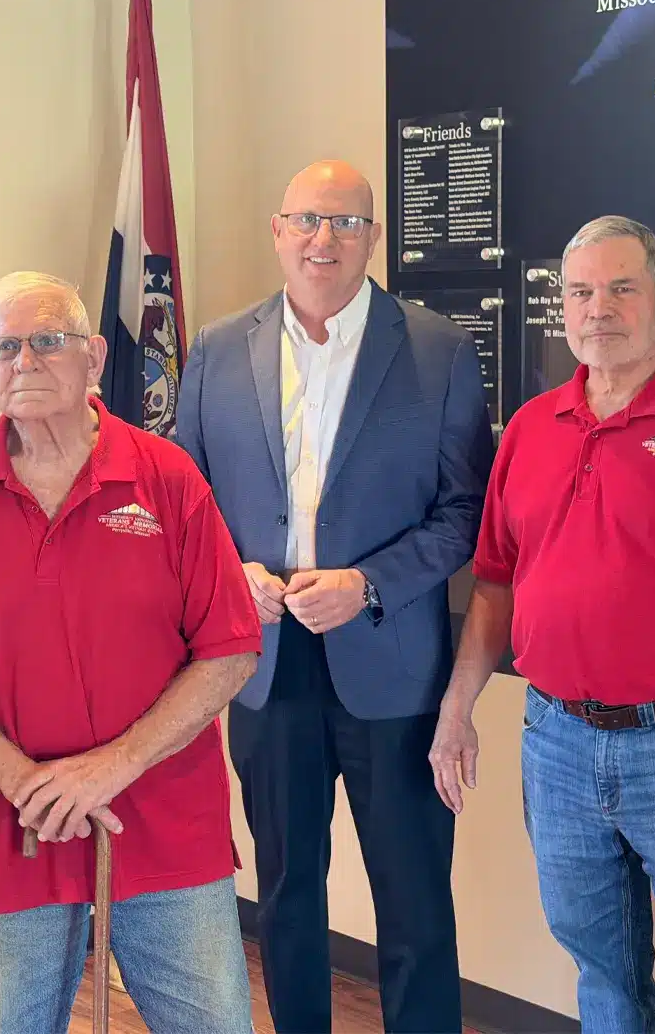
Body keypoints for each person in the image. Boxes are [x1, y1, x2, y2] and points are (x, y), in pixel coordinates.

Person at [0, 271, 260, 1034]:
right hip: (13, 823)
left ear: (93, 357)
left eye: (47, 341)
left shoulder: (167, 479)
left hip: (163, 819)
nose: (25, 361)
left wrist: (111, 767)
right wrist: (26, 781)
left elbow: (229, 648)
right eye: (4, 346)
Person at [176, 160, 494, 1034]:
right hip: (266, 669)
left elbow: (467, 513)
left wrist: (370, 584)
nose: (325, 239)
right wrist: (232, 574)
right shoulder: (216, 346)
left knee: (415, 900)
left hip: (393, 671)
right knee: (283, 893)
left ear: (373, 239)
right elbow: (187, 500)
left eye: (347, 223)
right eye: (308, 220)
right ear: (278, 231)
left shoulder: (436, 349)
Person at [430, 215, 655, 1033]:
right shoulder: (530, 428)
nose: (599, 309)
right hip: (556, 743)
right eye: (580, 292)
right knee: (603, 974)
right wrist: (457, 710)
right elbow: (495, 584)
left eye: (622, 288)